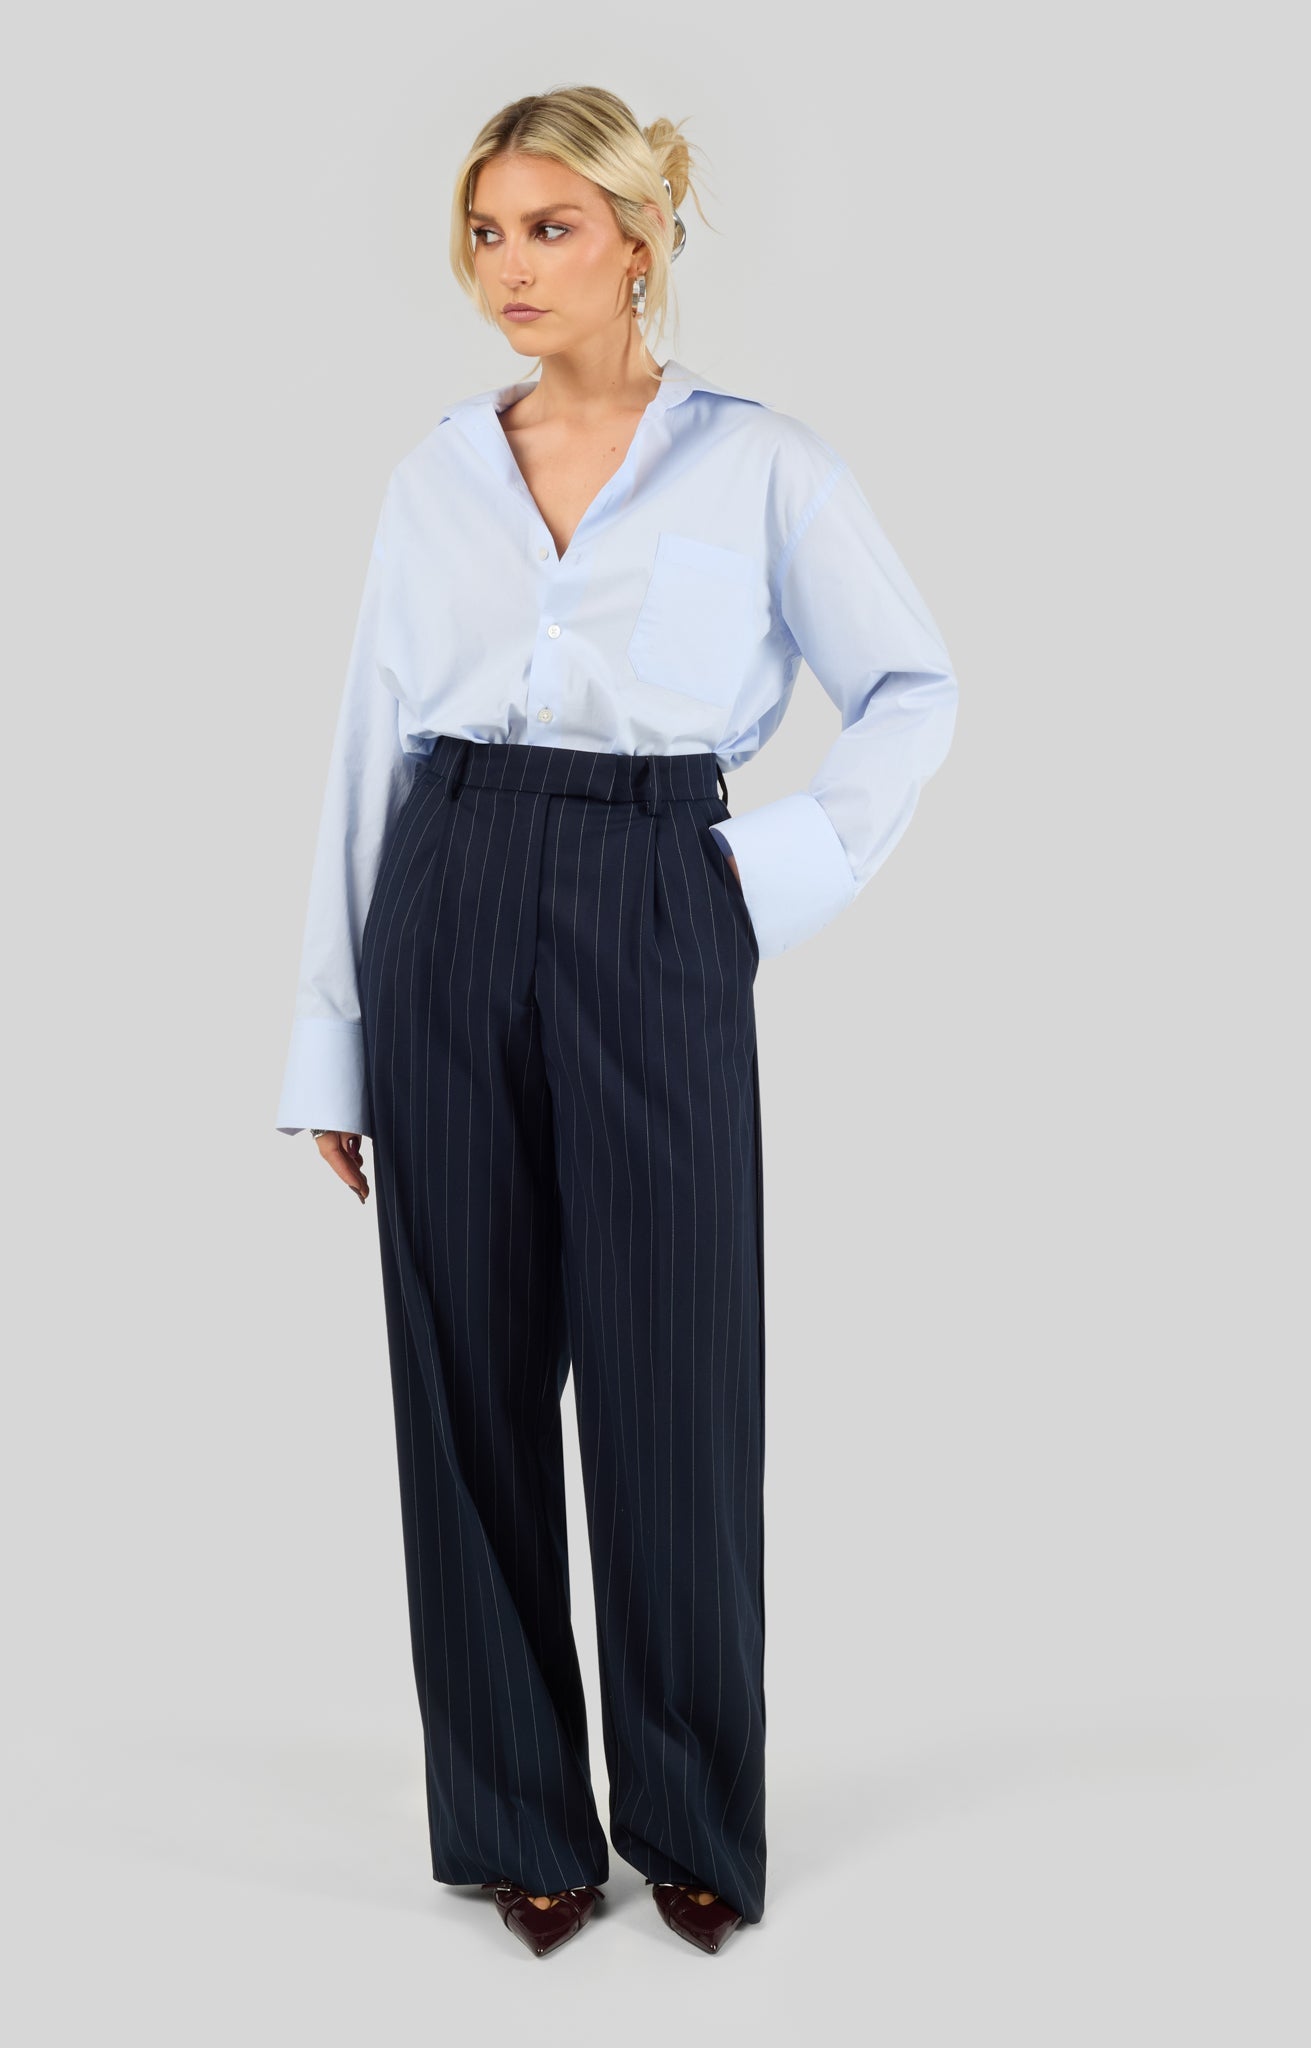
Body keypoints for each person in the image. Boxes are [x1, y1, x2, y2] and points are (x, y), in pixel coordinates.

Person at [276, 85, 959, 1959]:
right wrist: (331, 1040)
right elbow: (366, 750)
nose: (510, 265)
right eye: (488, 231)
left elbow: (912, 684)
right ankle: (521, 1816)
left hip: (660, 892)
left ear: (642, 244)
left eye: (552, 227)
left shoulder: (764, 467)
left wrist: (761, 879)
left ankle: (692, 1813)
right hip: (449, 883)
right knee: (465, 1377)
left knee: (677, 1370)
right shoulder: (434, 477)